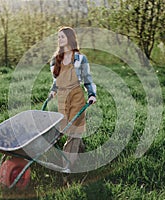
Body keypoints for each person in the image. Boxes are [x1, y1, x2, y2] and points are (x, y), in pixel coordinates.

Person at [48, 26, 97, 172]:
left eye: (62, 36)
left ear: (70, 38)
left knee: (74, 129)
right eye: (58, 37)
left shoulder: (80, 59)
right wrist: (53, 91)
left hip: (76, 96)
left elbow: (88, 78)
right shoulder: (55, 60)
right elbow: (56, 81)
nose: (59, 39)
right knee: (66, 127)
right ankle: (80, 150)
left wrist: (92, 94)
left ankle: (66, 166)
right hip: (62, 98)